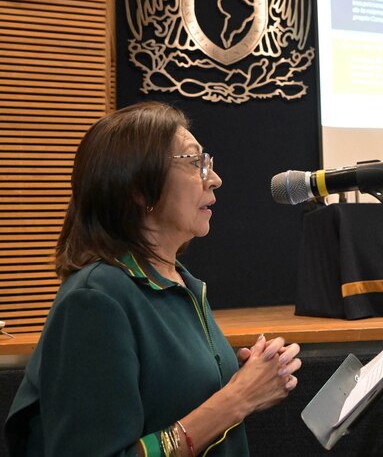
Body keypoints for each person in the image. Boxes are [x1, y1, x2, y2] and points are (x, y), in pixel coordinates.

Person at [5, 102, 301, 455]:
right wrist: (237, 399)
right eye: (195, 162)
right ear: (138, 188)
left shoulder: (180, 283)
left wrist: (250, 378)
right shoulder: (96, 299)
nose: (215, 179)